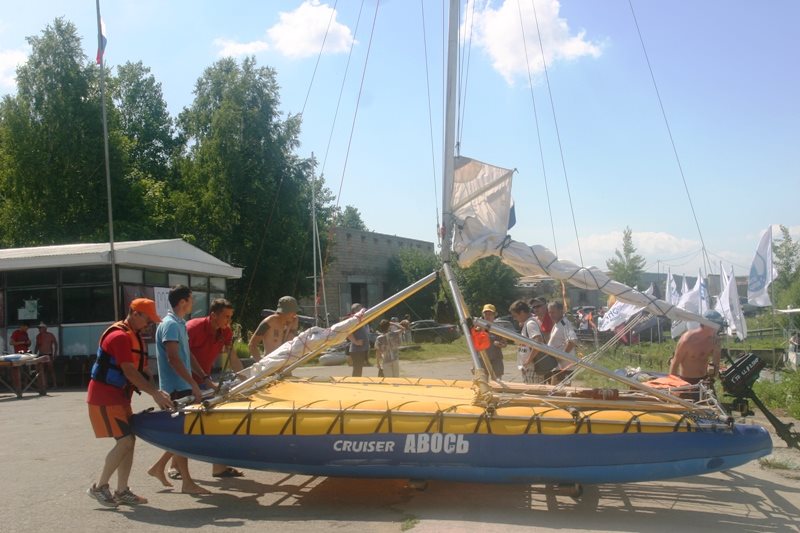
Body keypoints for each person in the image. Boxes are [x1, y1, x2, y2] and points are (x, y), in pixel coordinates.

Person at [86, 299, 173, 507]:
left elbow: (144, 370)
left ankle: (122, 490)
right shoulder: (119, 337)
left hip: (120, 397)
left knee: (128, 442)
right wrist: (154, 394)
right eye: (148, 320)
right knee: (125, 441)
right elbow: (129, 371)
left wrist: (157, 391)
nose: (149, 325)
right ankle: (99, 487)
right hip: (104, 397)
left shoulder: (134, 337)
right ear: (135, 314)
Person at [147, 285, 210, 494]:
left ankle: (158, 468)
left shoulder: (180, 324)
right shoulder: (171, 325)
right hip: (175, 388)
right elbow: (173, 358)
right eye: (191, 300)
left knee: (183, 434)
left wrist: (204, 378)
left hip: (184, 385)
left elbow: (187, 355)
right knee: (182, 435)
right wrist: (193, 384)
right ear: (183, 302)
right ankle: (187, 483)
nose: (192, 303)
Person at [173, 298, 244, 479]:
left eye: (230, 316)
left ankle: (218, 467)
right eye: (226, 316)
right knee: (185, 426)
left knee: (215, 422)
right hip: (185, 382)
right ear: (213, 315)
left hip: (205, 381)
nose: (229, 321)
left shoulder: (225, 331)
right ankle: (174, 466)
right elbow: (181, 356)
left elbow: (232, 356)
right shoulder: (192, 328)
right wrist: (198, 381)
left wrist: (246, 378)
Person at [669, 309, 723, 386]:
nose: (717, 329)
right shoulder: (687, 340)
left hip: (704, 380)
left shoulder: (713, 340)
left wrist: (717, 351)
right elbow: (675, 363)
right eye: (716, 326)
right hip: (686, 381)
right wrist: (672, 384)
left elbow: (715, 368)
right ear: (707, 324)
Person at [509, 300, 558, 384]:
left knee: (533, 393)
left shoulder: (530, 324)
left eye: (515, 316)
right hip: (529, 368)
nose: (514, 318)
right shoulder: (528, 323)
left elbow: (538, 342)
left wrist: (528, 361)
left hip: (532, 368)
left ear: (522, 312)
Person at [546, 301, 578, 383]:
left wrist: (561, 356)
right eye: (549, 312)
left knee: (560, 393)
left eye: (553, 312)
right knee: (554, 391)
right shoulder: (557, 324)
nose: (551, 315)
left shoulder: (565, 324)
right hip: (557, 366)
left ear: (561, 311)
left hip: (564, 367)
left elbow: (572, 341)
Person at [477, 304, 506, 379]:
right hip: (482, 358)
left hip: (496, 358)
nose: (488, 316)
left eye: (490, 314)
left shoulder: (499, 328)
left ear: (494, 315)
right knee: (483, 381)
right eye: (486, 314)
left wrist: (500, 344)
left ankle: (497, 391)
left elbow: (504, 343)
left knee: (497, 380)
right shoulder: (478, 327)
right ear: (483, 314)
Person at [346, 303, 370, 377]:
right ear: (356, 311)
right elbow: (348, 333)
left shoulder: (360, 320)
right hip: (356, 350)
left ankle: (357, 382)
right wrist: (356, 342)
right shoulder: (353, 320)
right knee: (357, 369)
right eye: (360, 309)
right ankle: (355, 384)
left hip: (362, 349)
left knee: (359, 369)